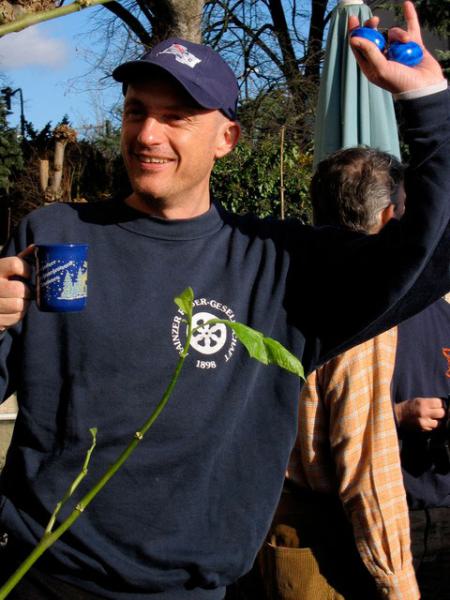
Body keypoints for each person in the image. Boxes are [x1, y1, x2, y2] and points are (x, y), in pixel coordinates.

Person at [0, 3, 448, 598]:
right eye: (137, 111)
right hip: (42, 576)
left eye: (177, 117)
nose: (147, 134)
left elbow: (429, 255)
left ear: (227, 138)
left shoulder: (277, 264)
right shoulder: (55, 238)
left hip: (201, 589)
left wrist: (430, 103)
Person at [258, 148, 419, 600]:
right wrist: (399, 582)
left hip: (263, 522)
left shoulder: (271, 274)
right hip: (323, 542)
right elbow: (366, 462)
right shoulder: (362, 301)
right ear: (390, 215)